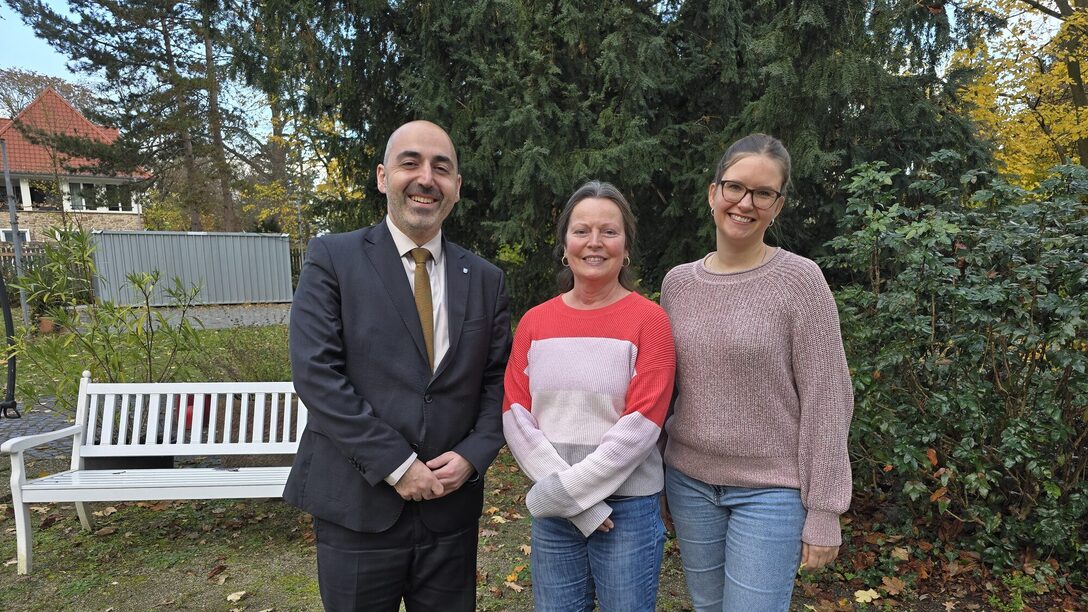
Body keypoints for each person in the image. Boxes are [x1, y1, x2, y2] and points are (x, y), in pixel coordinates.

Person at [284, 120, 512, 611]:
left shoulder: (487, 279)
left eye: (441, 168)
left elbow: (498, 381)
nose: (426, 177)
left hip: (450, 514)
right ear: (383, 177)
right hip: (357, 505)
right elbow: (317, 375)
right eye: (410, 163)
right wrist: (397, 465)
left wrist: (474, 453)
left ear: (456, 188)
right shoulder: (332, 258)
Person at [660, 133, 854, 611]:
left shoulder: (800, 280)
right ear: (713, 193)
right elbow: (667, 389)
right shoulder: (678, 284)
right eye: (735, 188)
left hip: (771, 492)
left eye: (762, 193)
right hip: (688, 483)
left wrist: (825, 509)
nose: (745, 203)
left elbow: (829, 397)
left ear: (778, 205)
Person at [502, 181, 676, 611]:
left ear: (626, 246)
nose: (594, 243)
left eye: (609, 231)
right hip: (555, 510)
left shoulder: (649, 321)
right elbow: (515, 415)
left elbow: (642, 426)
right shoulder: (534, 323)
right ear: (564, 244)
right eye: (581, 231)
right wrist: (576, 504)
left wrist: (567, 493)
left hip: (628, 511)